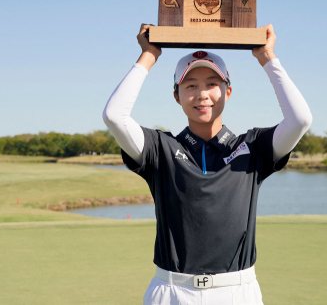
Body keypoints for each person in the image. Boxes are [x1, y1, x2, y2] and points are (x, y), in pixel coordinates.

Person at [102, 23, 312, 305]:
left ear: (228, 91)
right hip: (172, 290)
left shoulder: (252, 147)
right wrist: (149, 55)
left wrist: (266, 57)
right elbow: (115, 116)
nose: (202, 94)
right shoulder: (160, 148)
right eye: (191, 86)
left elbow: (300, 120)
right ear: (176, 96)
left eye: (212, 84)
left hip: (238, 292)